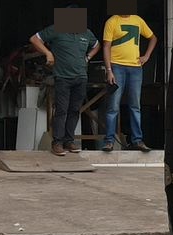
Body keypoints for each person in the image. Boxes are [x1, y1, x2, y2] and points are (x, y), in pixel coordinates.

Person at [28, 12, 99, 156]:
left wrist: (88, 57)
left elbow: (97, 45)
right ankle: (57, 143)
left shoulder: (86, 32)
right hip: (63, 77)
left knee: (74, 110)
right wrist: (48, 53)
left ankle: (69, 141)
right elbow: (34, 39)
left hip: (81, 78)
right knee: (61, 110)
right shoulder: (56, 29)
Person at [101, 9, 156, 152]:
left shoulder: (138, 20)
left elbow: (153, 38)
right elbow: (106, 46)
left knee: (135, 106)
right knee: (113, 106)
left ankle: (137, 140)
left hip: (135, 68)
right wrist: (109, 70)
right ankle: (109, 141)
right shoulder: (112, 21)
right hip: (117, 66)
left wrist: (146, 56)